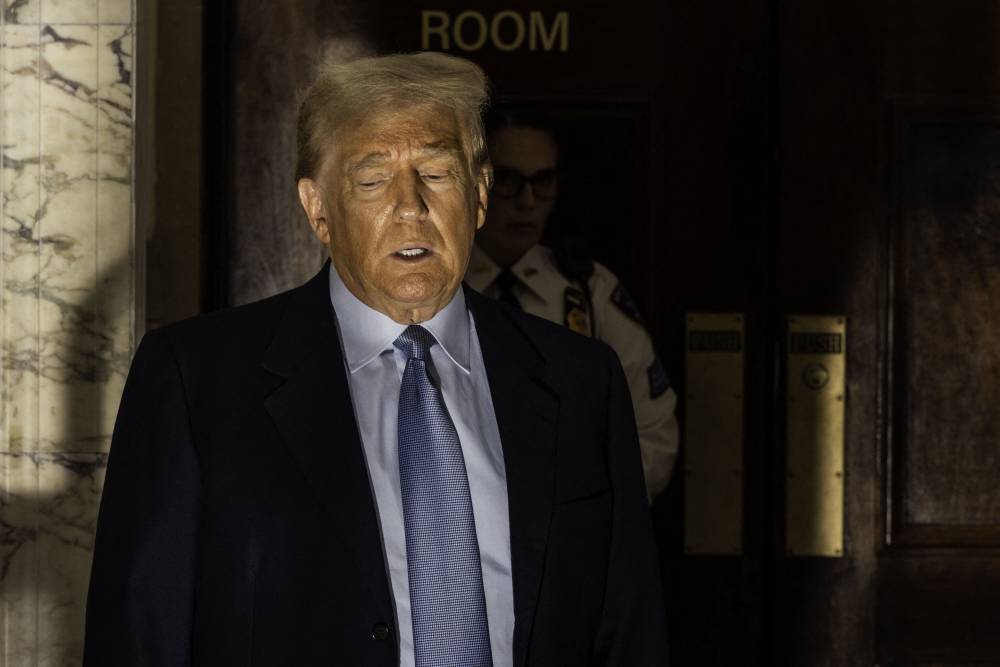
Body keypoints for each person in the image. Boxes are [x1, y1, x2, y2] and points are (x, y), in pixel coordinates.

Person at [83, 53, 668, 666]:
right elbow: (139, 635)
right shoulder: (195, 381)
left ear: (480, 194)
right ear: (318, 209)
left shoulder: (581, 382)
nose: (410, 206)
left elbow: (628, 629)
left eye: (437, 173)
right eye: (372, 180)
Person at [466, 110, 680, 501]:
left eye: (543, 181)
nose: (527, 201)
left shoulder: (589, 291)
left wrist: (581, 511)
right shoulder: (430, 288)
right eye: (508, 181)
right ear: (473, 183)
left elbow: (654, 436)